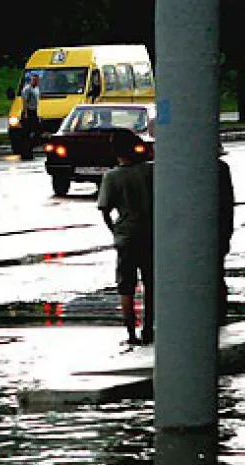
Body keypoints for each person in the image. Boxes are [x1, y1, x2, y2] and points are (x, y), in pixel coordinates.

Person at [97, 129, 154, 346]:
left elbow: (104, 210)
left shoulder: (112, 177)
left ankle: (131, 333)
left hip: (126, 237)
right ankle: (149, 328)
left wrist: (115, 230)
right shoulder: (150, 172)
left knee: (126, 285)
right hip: (149, 234)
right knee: (150, 283)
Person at [218, 146, 236, 322]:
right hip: (220, 230)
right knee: (217, 273)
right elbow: (228, 204)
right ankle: (220, 312)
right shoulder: (222, 169)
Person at [19, 74, 41, 159]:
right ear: (31, 80)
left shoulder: (37, 89)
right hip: (28, 112)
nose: (36, 82)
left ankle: (29, 149)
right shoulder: (27, 89)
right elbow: (24, 101)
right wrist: (25, 113)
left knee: (35, 132)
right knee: (27, 133)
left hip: (34, 111)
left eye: (37, 80)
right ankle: (26, 152)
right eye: (34, 80)